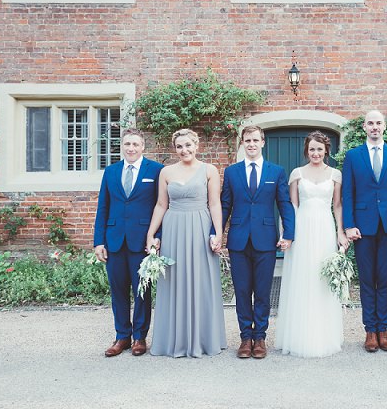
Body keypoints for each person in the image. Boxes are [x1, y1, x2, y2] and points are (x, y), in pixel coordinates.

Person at [146, 129, 227, 358]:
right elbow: (161, 205)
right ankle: (175, 339)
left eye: (189, 145)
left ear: (197, 145)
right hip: (173, 229)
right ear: (175, 148)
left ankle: (204, 338)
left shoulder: (209, 170)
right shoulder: (166, 172)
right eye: (180, 146)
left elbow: (215, 204)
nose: (185, 150)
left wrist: (218, 233)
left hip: (200, 227)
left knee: (202, 281)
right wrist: (151, 234)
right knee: (173, 279)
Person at [221, 125, 295, 359]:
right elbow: (225, 205)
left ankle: (260, 337)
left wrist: (289, 233)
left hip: (265, 239)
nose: (251, 144)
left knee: (262, 291)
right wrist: (216, 233)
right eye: (247, 140)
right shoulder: (232, 172)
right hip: (238, 240)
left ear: (263, 142)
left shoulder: (276, 172)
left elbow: (285, 204)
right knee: (242, 291)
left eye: (255, 140)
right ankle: (245, 337)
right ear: (242, 143)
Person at [275, 131, 349, 358]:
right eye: (311, 149)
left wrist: (341, 232)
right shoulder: (297, 174)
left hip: (325, 228)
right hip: (302, 228)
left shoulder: (335, 174)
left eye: (319, 149)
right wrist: (286, 234)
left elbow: (337, 206)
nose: (315, 153)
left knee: (322, 279)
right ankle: (298, 335)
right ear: (306, 151)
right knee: (302, 277)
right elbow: (291, 207)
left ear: (326, 150)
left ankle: (324, 335)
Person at [342, 110, 387, 352]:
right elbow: (347, 193)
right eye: (370, 123)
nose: (374, 127)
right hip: (363, 227)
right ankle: (370, 330)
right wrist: (349, 225)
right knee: (366, 279)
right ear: (364, 127)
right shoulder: (353, 156)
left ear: (384, 126)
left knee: (384, 279)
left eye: (378, 123)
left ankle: (384, 328)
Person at [93, 128, 164, 357]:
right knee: (118, 290)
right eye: (127, 144)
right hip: (114, 241)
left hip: (142, 241)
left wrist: (156, 237)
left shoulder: (156, 170)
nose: (131, 148)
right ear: (122, 146)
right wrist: (99, 241)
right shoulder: (111, 171)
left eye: (135, 144)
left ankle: (139, 337)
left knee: (142, 290)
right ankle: (121, 336)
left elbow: (161, 206)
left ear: (143, 146)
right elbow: (103, 207)